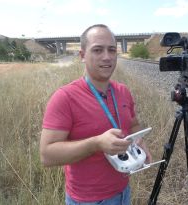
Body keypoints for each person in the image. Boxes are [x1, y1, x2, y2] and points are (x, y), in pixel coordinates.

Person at [39, 24, 152, 205]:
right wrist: (96, 144)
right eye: (98, 50)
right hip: (88, 200)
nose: (107, 57)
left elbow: (132, 124)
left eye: (112, 50)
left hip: (124, 192)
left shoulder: (123, 91)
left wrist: (139, 142)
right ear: (82, 55)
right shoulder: (64, 97)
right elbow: (47, 155)